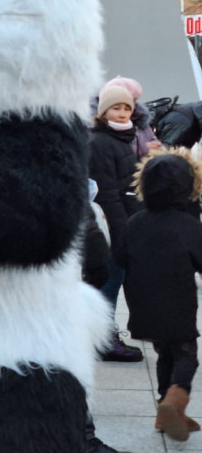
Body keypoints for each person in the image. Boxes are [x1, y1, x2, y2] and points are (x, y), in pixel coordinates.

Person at [115, 148, 202, 441]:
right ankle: (175, 400)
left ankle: (165, 414)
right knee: (187, 354)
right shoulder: (189, 225)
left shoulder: (134, 222)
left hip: (142, 300)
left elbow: (120, 257)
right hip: (177, 299)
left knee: (164, 353)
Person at [81, 179, 139, 453]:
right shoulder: (51, 162)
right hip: (45, 294)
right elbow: (96, 262)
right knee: (63, 367)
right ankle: (83, 440)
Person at [88, 82, 144, 363]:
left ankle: (103, 336)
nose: (122, 113)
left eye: (126, 108)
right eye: (115, 107)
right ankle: (105, 339)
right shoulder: (101, 142)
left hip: (124, 222)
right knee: (110, 282)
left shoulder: (121, 139)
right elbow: (108, 192)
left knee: (112, 280)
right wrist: (121, 232)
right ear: (103, 111)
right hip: (113, 227)